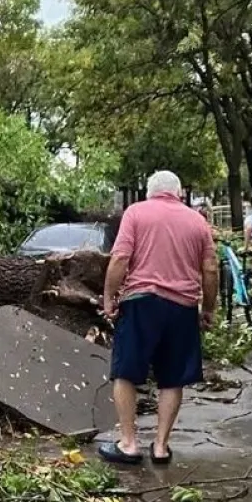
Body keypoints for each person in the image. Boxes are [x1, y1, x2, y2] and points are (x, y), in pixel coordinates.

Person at [98, 170, 218, 465]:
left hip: (141, 303)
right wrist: (208, 308)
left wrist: (109, 297)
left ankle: (129, 443)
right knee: (172, 377)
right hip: (182, 307)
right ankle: (161, 446)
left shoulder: (136, 212)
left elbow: (120, 258)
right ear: (179, 193)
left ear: (150, 192)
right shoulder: (197, 221)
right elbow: (210, 268)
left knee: (126, 372)